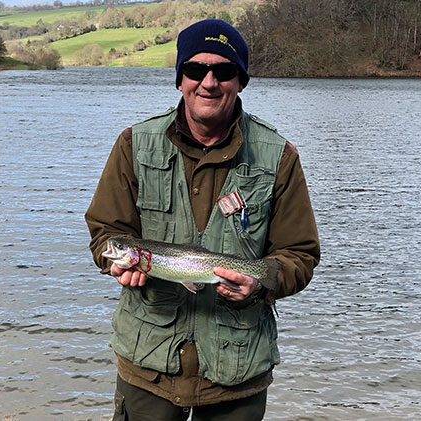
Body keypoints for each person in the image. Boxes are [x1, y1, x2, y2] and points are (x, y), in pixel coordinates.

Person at [85, 19, 320, 421]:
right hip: (149, 364)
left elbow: (299, 253)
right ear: (180, 80)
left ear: (241, 81)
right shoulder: (133, 144)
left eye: (224, 71)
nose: (208, 82)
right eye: (195, 70)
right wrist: (114, 263)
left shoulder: (279, 156)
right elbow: (106, 233)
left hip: (238, 370)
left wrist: (266, 279)